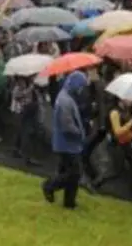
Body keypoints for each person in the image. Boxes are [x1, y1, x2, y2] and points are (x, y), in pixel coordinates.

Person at [42, 70, 88, 209]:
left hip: (68, 143)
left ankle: (69, 203)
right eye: (81, 86)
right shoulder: (65, 101)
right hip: (66, 144)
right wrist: (79, 133)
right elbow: (67, 125)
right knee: (74, 173)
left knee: (68, 172)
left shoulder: (66, 97)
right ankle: (49, 186)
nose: (81, 89)